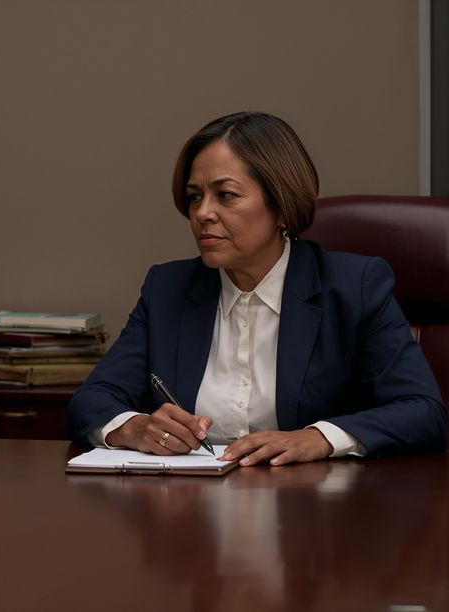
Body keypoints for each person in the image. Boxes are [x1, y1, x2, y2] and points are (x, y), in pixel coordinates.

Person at [68, 111, 445, 465]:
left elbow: (423, 411)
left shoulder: (353, 287)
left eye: (225, 195)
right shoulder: (167, 289)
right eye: (195, 196)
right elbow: (93, 399)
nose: (202, 213)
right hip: (190, 513)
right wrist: (133, 428)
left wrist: (319, 437)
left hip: (318, 514)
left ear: (281, 205)